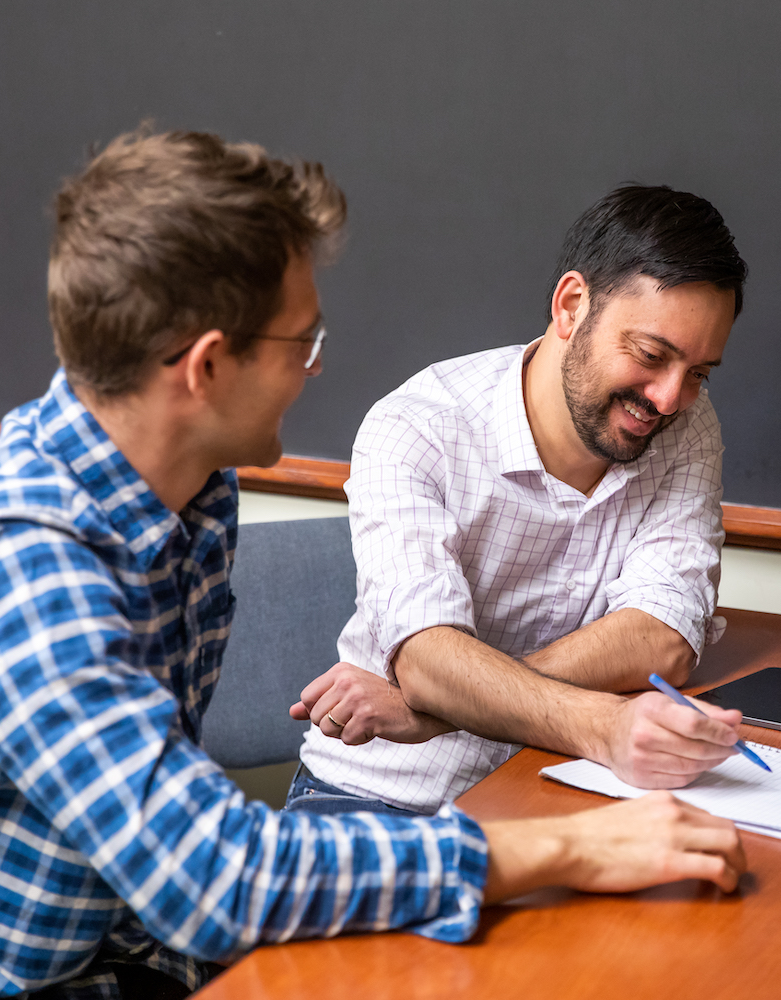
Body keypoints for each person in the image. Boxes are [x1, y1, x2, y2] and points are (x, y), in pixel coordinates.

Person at [0, 132, 746, 1000]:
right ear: (206, 367)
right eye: (302, 343)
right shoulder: (12, 553)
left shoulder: (193, 496)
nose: (316, 367)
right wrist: (567, 851)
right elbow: (210, 875)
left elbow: (167, 863)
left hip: (87, 957)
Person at [288, 185, 749, 816]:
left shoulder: (687, 428)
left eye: (699, 372)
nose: (670, 398)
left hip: (555, 789)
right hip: (383, 796)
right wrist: (599, 722)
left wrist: (441, 710)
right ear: (571, 305)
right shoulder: (417, 426)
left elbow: (664, 636)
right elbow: (426, 659)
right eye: (650, 355)